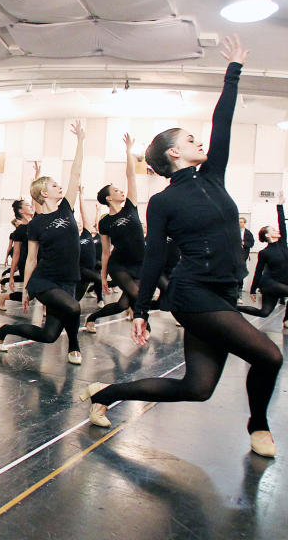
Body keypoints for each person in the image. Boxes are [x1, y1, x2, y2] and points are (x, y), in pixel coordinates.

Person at [80, 36, 282, 459]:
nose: (199, 142)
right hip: (194, 295)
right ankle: (258, 425)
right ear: (175, 153)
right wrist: (139, 310)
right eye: (190, 139)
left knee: (198, 388)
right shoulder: (163, 201)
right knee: (269, 355)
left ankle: (106, 393)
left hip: (226, 292)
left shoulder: (213, 177)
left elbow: (221, 123)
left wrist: (233, 72)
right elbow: (153, 256)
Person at [0, 120, 86, 365]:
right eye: (54, 185)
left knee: (48, 335)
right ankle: (74, 347)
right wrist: (28, 289)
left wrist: (80, 142)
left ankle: (4, 331)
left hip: (68, 277)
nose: (60, 187)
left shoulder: (66, 208)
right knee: (74, 308)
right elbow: (31, 258)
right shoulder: (34, 224)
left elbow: (75, 173)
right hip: (44, 280)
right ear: (44, 193)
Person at [83, 134, 147, 333]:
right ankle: (146, 327)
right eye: (116, 190)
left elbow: (131, 176)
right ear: (109, 198)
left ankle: (91, 317)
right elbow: (105, 251)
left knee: (122, 305)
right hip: (119, 266)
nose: (122, 192)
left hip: (139, 263)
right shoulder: (105, 222)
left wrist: (128, 151)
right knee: (138, 294)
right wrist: (103, 276)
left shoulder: (131, 207)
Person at [238, 193, 288, 328]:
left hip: (281, 284)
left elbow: (282, 222)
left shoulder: (283, 243)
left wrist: (280, 205)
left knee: (264, 313)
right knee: (265, 312)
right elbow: (258, 271)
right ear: (267, 235)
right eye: (273, 229)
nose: (277, 230)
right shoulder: (264, 253)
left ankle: (234, 308)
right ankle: (287, 320)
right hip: (269, 284)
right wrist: (253, 289)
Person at [75, 186, 104, 306]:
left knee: (76, 299)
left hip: (89, 270)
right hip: (81, 270)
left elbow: (84, 214)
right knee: (98, 278)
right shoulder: (73, 239)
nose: (80, 224)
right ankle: (100, 298)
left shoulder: (87, 233)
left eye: (80, 223)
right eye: (76, 224)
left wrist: (81, 196)